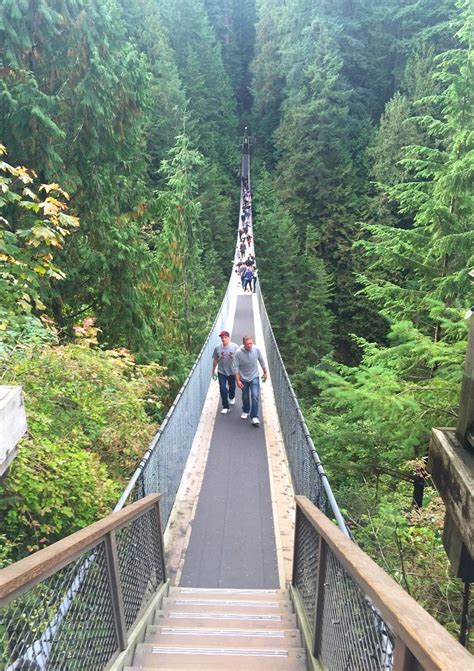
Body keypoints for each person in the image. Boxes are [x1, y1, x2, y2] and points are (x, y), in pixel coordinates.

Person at [233, 335, 267, 426]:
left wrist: (265, 372)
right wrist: (238, 380)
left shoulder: (256, 349)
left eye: (251, 343)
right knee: (245, 396)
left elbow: (261, 360)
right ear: (243, 344)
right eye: (247, 344)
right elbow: (235, 368)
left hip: (254, 376)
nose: (249, 345)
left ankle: (254, 416)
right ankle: (245, 410)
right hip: (243, 378)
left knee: (255, 396)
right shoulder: (238, 353)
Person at [212, 330, 238, 415]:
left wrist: (239, 370)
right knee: (222, 389)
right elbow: (215, 359)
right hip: (221, 371)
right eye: (222, 338)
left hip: (232, 371)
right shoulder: (217, 348)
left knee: (232, 388)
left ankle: (231, 396)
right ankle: (225, 407)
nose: (223, 339)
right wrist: (213, 371)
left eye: (225, 337)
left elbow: (239, 358)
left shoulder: (235, 347)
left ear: (228, 338)